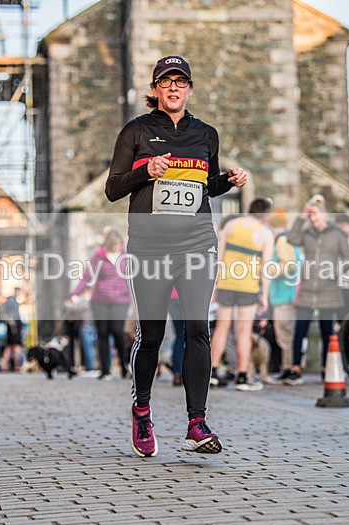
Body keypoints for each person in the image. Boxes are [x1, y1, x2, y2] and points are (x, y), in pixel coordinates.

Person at [105, 55, 247, 457]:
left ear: (189, 89)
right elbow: (113, 189)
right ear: (155, 90)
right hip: (150, 245)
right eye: (165, 82)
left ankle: (197, 423)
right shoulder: (136, 131)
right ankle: (142, 410)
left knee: (198, 328)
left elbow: (206, 186)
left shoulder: (206, 134)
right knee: (151, 335)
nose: (173, 88)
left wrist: (228, 181)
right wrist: (146, 170)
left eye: (180, 82)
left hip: (197, 243)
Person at [287, 195, 349, 381]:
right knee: (300, 331)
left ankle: (326, 368)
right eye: (310, 216)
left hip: (329, 291)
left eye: (315, 214)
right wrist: (301, 217)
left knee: (327, 332)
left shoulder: (337, 234)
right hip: (307, 291)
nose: (312, 218)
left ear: (324, 214)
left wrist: (334, 272)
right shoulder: (307, 233)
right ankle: (295, 368)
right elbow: (291, 238)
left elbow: (348, 260)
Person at [211, 197, 274, 391]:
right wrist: (265, 296)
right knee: (244, 331)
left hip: (226, 283)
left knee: (221, 327)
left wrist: (215, 284)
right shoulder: (265, 234)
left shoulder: (231, 226)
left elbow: (218, 257)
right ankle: (242, 377)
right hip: (248, 286)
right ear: (265, 214)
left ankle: (212, 373)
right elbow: (266, 268)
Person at [67, 228, 132, 380]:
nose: (117, 247)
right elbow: (87, 277)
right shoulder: (98, 256)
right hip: (100, 300)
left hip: (121, 300)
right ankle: (105, 370)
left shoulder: (126, 256)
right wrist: (75, 294)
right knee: (103, 333)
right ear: (109, 244)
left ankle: (124, 366)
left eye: (119, 244)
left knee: (117, 331)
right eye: (115, 244)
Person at [267, 209, 303, 385]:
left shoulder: (282, 240)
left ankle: (288, 368)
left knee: (285, 335)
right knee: (286, 334)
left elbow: (289, 266)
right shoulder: (288, 239)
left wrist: (269, 270)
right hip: (287, 294)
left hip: (284, 295)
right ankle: (287, 367)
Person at [0, 288, 24, 372]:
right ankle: (17, 366)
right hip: (14, 326)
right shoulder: (13, 301)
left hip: (11, 325)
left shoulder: (9, 301)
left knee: (9, 346)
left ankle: (4, 365)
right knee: (16, 346)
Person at [168, 288, 186, 386]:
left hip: (172, 297)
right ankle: (189, 373)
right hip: (187, 296)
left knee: (180, 336)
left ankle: (177, 374)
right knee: (191, 336)